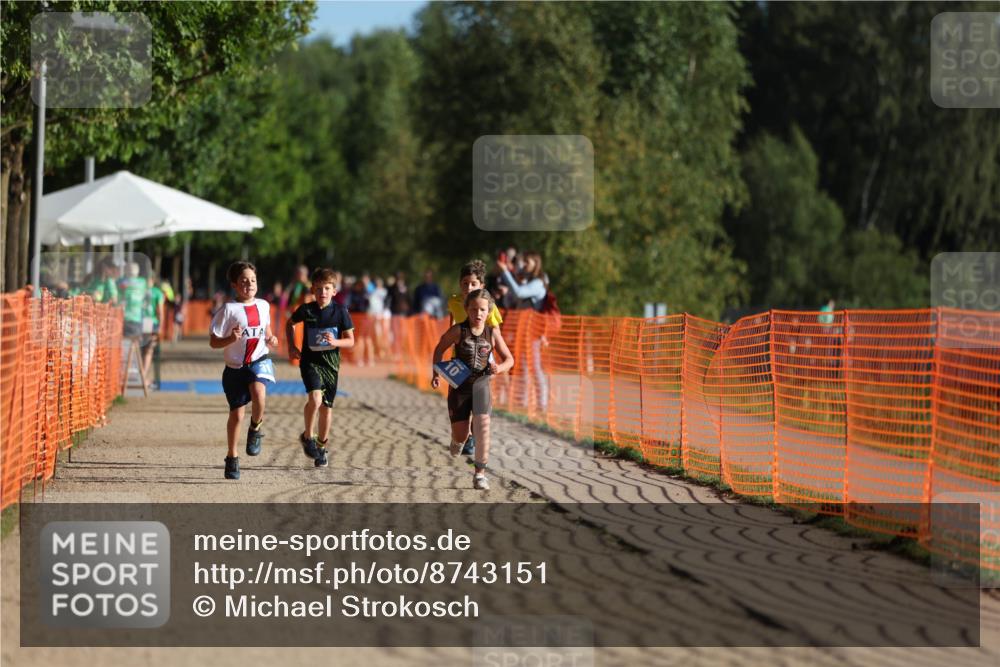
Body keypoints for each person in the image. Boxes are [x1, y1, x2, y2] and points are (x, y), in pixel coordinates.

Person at [431, 289, 514, 491]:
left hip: (482, 385)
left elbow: (510, 360)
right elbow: (440, 348)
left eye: (482, 310)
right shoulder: (458, 330)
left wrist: (499, 368)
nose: (478, 313)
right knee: (461, 435)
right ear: (467, 309)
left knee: (483, 427)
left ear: (489, 311)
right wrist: (435, 373)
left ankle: (480, 474)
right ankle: (457, 440)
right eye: (474, 309)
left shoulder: (492, 333)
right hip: (459, 387)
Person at [209, 261, 279, 480]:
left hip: (258, 360)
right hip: (235, 368)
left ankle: (256, 430)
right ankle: (232, 457)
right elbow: (213, 342)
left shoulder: (264, 305)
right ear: (234, 285)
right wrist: (230, 338)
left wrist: (270, 338)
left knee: (259, 393)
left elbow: (266, 329)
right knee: (237, 415)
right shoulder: (228, 310)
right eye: (244, 281)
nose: (249, 284)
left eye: (253, 280)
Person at [286, 268, 355, 468]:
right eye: (318, 289)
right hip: (310, 362)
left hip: (331, 366)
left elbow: (350, 341)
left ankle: (322, 447)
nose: (322, 292)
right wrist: (292, 346)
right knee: (315, 399)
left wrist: (335, 341)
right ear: (313, 290)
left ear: (334, 291)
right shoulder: (306, 310)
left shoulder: (341, 312)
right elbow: (289, 324)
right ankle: (308, 435)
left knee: (326, 408)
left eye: (327, 288)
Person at [447, 259, 505, 456]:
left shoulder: (489, 307)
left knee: (479, 411)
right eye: (465, 283)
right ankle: (461, 436)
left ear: (481, 286)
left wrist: (493, 359)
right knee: (460, 406)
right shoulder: (454, 302)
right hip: (459, 361)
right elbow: (451, 325)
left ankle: (474, 436)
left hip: (481, 361)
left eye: (473, 284)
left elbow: (495, 334)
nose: (469, 287)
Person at [496, 251, 549, 412]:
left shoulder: (539, 282)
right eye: (523, 261)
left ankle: (542, 405)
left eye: (528, 262)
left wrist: (505, 272)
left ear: (536, 264)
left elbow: (520, 292)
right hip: (521, 330)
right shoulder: (526, 280)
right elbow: (513, 299)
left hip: (533, 331)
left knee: (534, 366)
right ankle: (522, 403)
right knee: (523, 366)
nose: (524, 264)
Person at [141, 274, 166, 387]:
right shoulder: (157, 292)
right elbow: (160, 311)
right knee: (149, 351)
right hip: (151, 322)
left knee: (141, 350)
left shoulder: (138, 290)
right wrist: (160, 326)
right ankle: (143, 376)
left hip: (139, 321)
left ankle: (141, 376)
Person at [118, 262, 147, 339]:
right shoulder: (142, 282)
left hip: (124, 317)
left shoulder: (121, 281)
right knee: (136, 341)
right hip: (137, 317)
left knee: (125, 340)